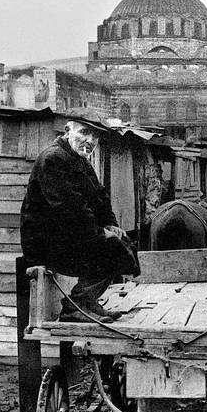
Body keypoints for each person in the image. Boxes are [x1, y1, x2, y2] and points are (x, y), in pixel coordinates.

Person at [20, 108, 139, 323]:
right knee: (111, 249)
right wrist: (100, 234)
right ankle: (74, 307)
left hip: (69, 236)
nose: (90, 140)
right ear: (68, 130)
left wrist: (111, 225)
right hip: (46, 243)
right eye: (84, 132)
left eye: (95, 136)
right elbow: (70, 209)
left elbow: (100, 198)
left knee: (120, 241)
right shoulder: (53, 159)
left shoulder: (80, 160)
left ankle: (88, 301)